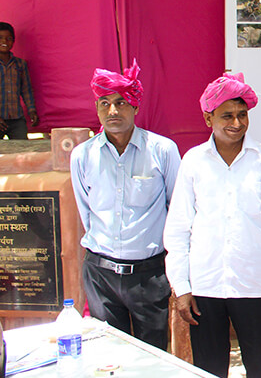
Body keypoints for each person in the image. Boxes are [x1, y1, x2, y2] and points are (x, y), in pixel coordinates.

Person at [164, 73, 261, 378]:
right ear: (208, 118)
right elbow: (179, 229)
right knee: (209, 369)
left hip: (257, 287)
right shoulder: (194, 161)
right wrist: (181, 288)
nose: (236, 123)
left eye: (242, 115)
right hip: (205, 287)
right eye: (227, 116)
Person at [70, 60, 179, 349]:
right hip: (100, 274)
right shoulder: (83, 156)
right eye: (104, 103)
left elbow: (176, 210)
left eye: (120, 102)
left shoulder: (162, 151)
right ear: (96, 109)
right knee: (108, 353)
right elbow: (86, 211)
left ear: (135, 107)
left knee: (152, 354)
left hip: (149, 273)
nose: (112, 111)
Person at [0, 22, 38, 139]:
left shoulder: (20, 64)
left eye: (9, 38)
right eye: (0, 38)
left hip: (17, 119)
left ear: (14, 41)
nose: (5, 42)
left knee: (22, 149)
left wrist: (32, 111)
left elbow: (26, 90)